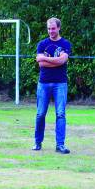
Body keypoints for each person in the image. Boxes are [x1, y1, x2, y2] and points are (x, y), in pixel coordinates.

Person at [32, 17, 71, 154]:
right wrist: (56, 60)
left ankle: (60, 145)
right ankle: (37, 142)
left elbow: (63, 60)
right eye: (49, 28)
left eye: (53, 28)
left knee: (60, 114)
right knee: (40, 114)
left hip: (60, 83)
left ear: (59, 28)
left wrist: (45, 58)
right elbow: (41, 64)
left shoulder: (65, 43)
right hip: (44, 83)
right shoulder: (42, 44)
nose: (51, 31)